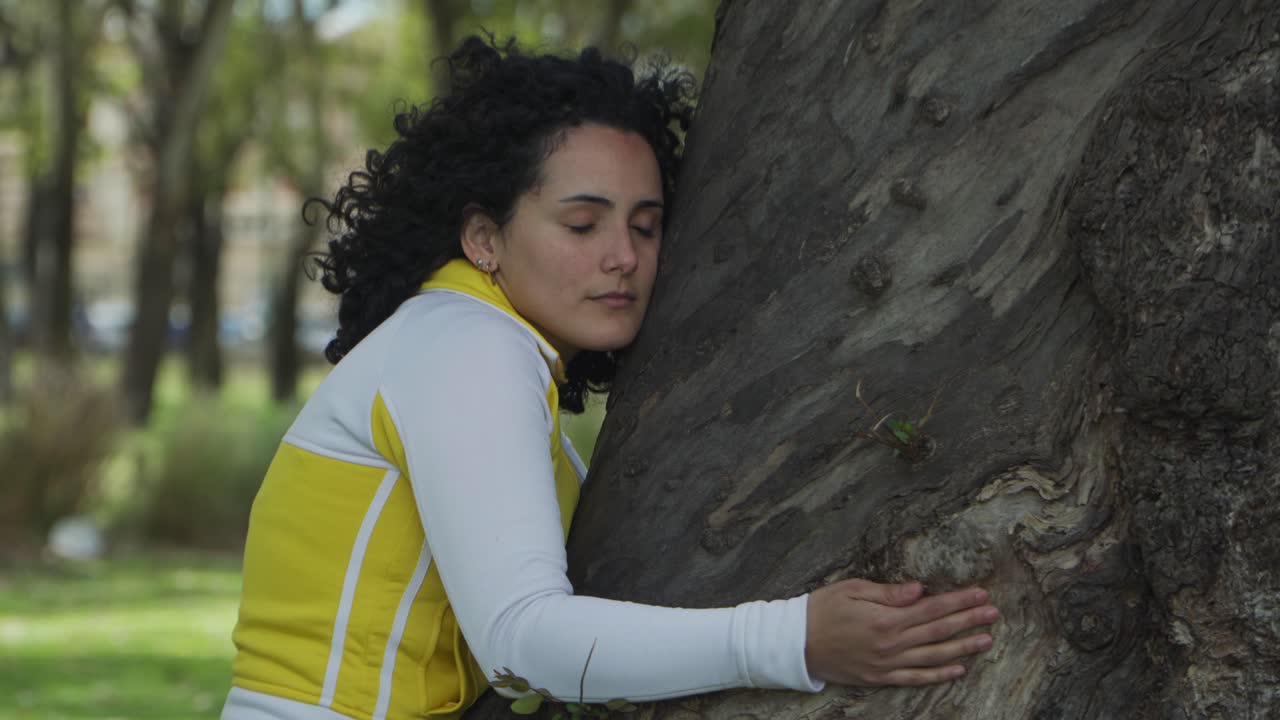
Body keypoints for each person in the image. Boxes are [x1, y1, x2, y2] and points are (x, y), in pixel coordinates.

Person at [221, 36, 999, 720]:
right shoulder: (469, 345)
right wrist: (793, 640)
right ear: (484, 236)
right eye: (582, 224)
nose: (622, 256)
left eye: (646, 225)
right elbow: (522, 641)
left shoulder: (459, 341)